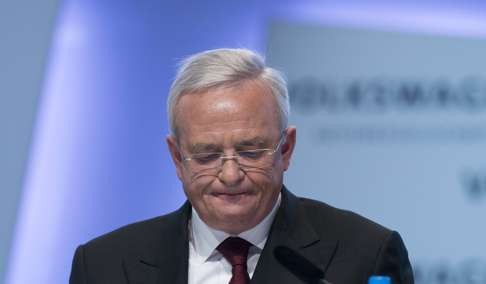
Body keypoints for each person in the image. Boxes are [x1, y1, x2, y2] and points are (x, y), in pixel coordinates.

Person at [69, 48, 414, 284]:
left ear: (287, 149)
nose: (231, 175)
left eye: (251, 151)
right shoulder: (106, 265)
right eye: (207, 155)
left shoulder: (365, 254)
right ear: (177, 158)